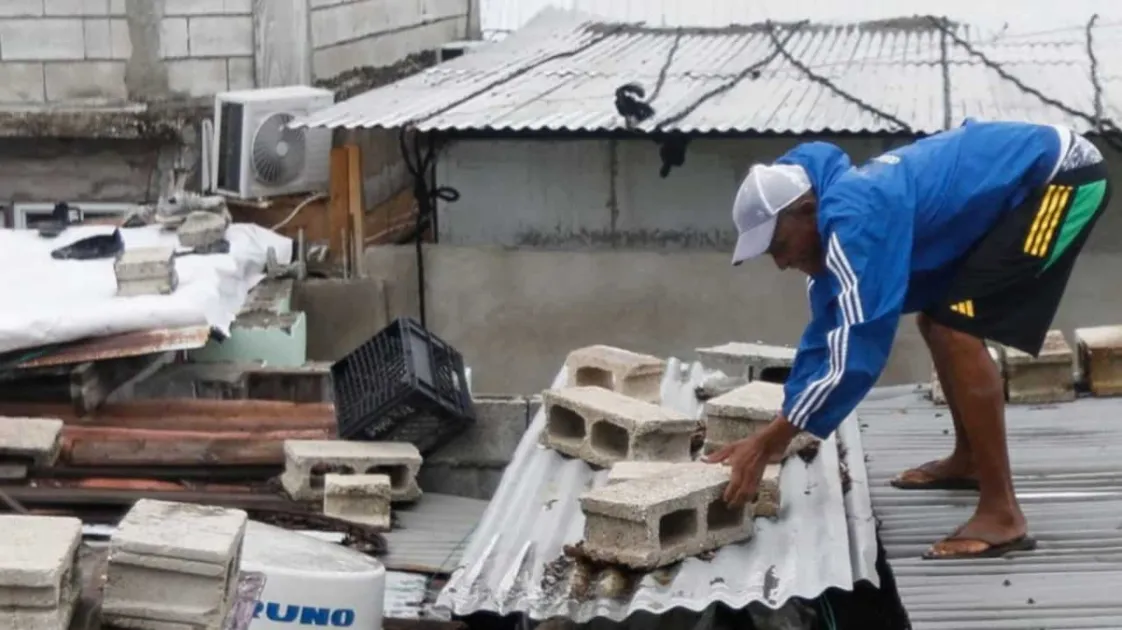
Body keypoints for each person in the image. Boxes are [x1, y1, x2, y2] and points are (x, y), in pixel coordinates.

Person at [705, 119, 1111, 560]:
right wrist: (784, 419)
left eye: (779, 245)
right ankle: (969, 459)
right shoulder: (831, 225)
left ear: (806, 210)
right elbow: (828, 332)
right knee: (937, 321)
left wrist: (771, 441)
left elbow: (858, 351)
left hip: (1061, 180)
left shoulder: (855, 225)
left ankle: (1003, 514)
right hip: (1020, 185)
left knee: (958, 329)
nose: (782, 263)